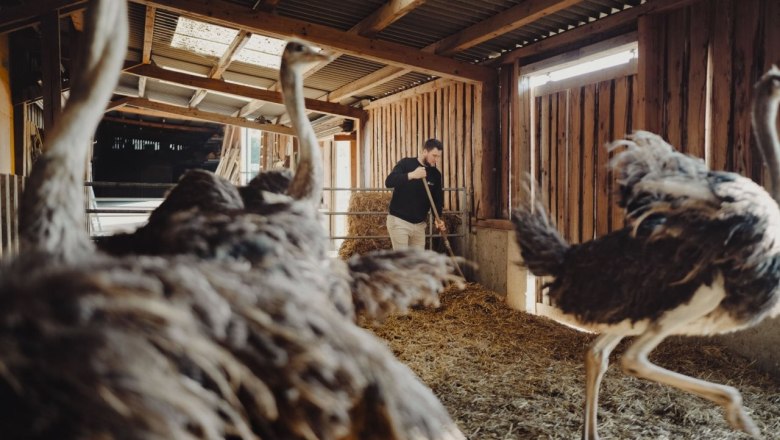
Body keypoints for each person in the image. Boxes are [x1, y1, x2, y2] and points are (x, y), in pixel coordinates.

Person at [385, 138, 447, 250]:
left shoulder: (435, 174)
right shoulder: (406, 163)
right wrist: (412, 175)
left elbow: (437, 199)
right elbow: (389, 181)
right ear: (424, 152)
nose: (436, 160)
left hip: (419, 225)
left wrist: (438, 219)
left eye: (438, 156)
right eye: (434, 155)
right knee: (403, 262)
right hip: (399, 221)